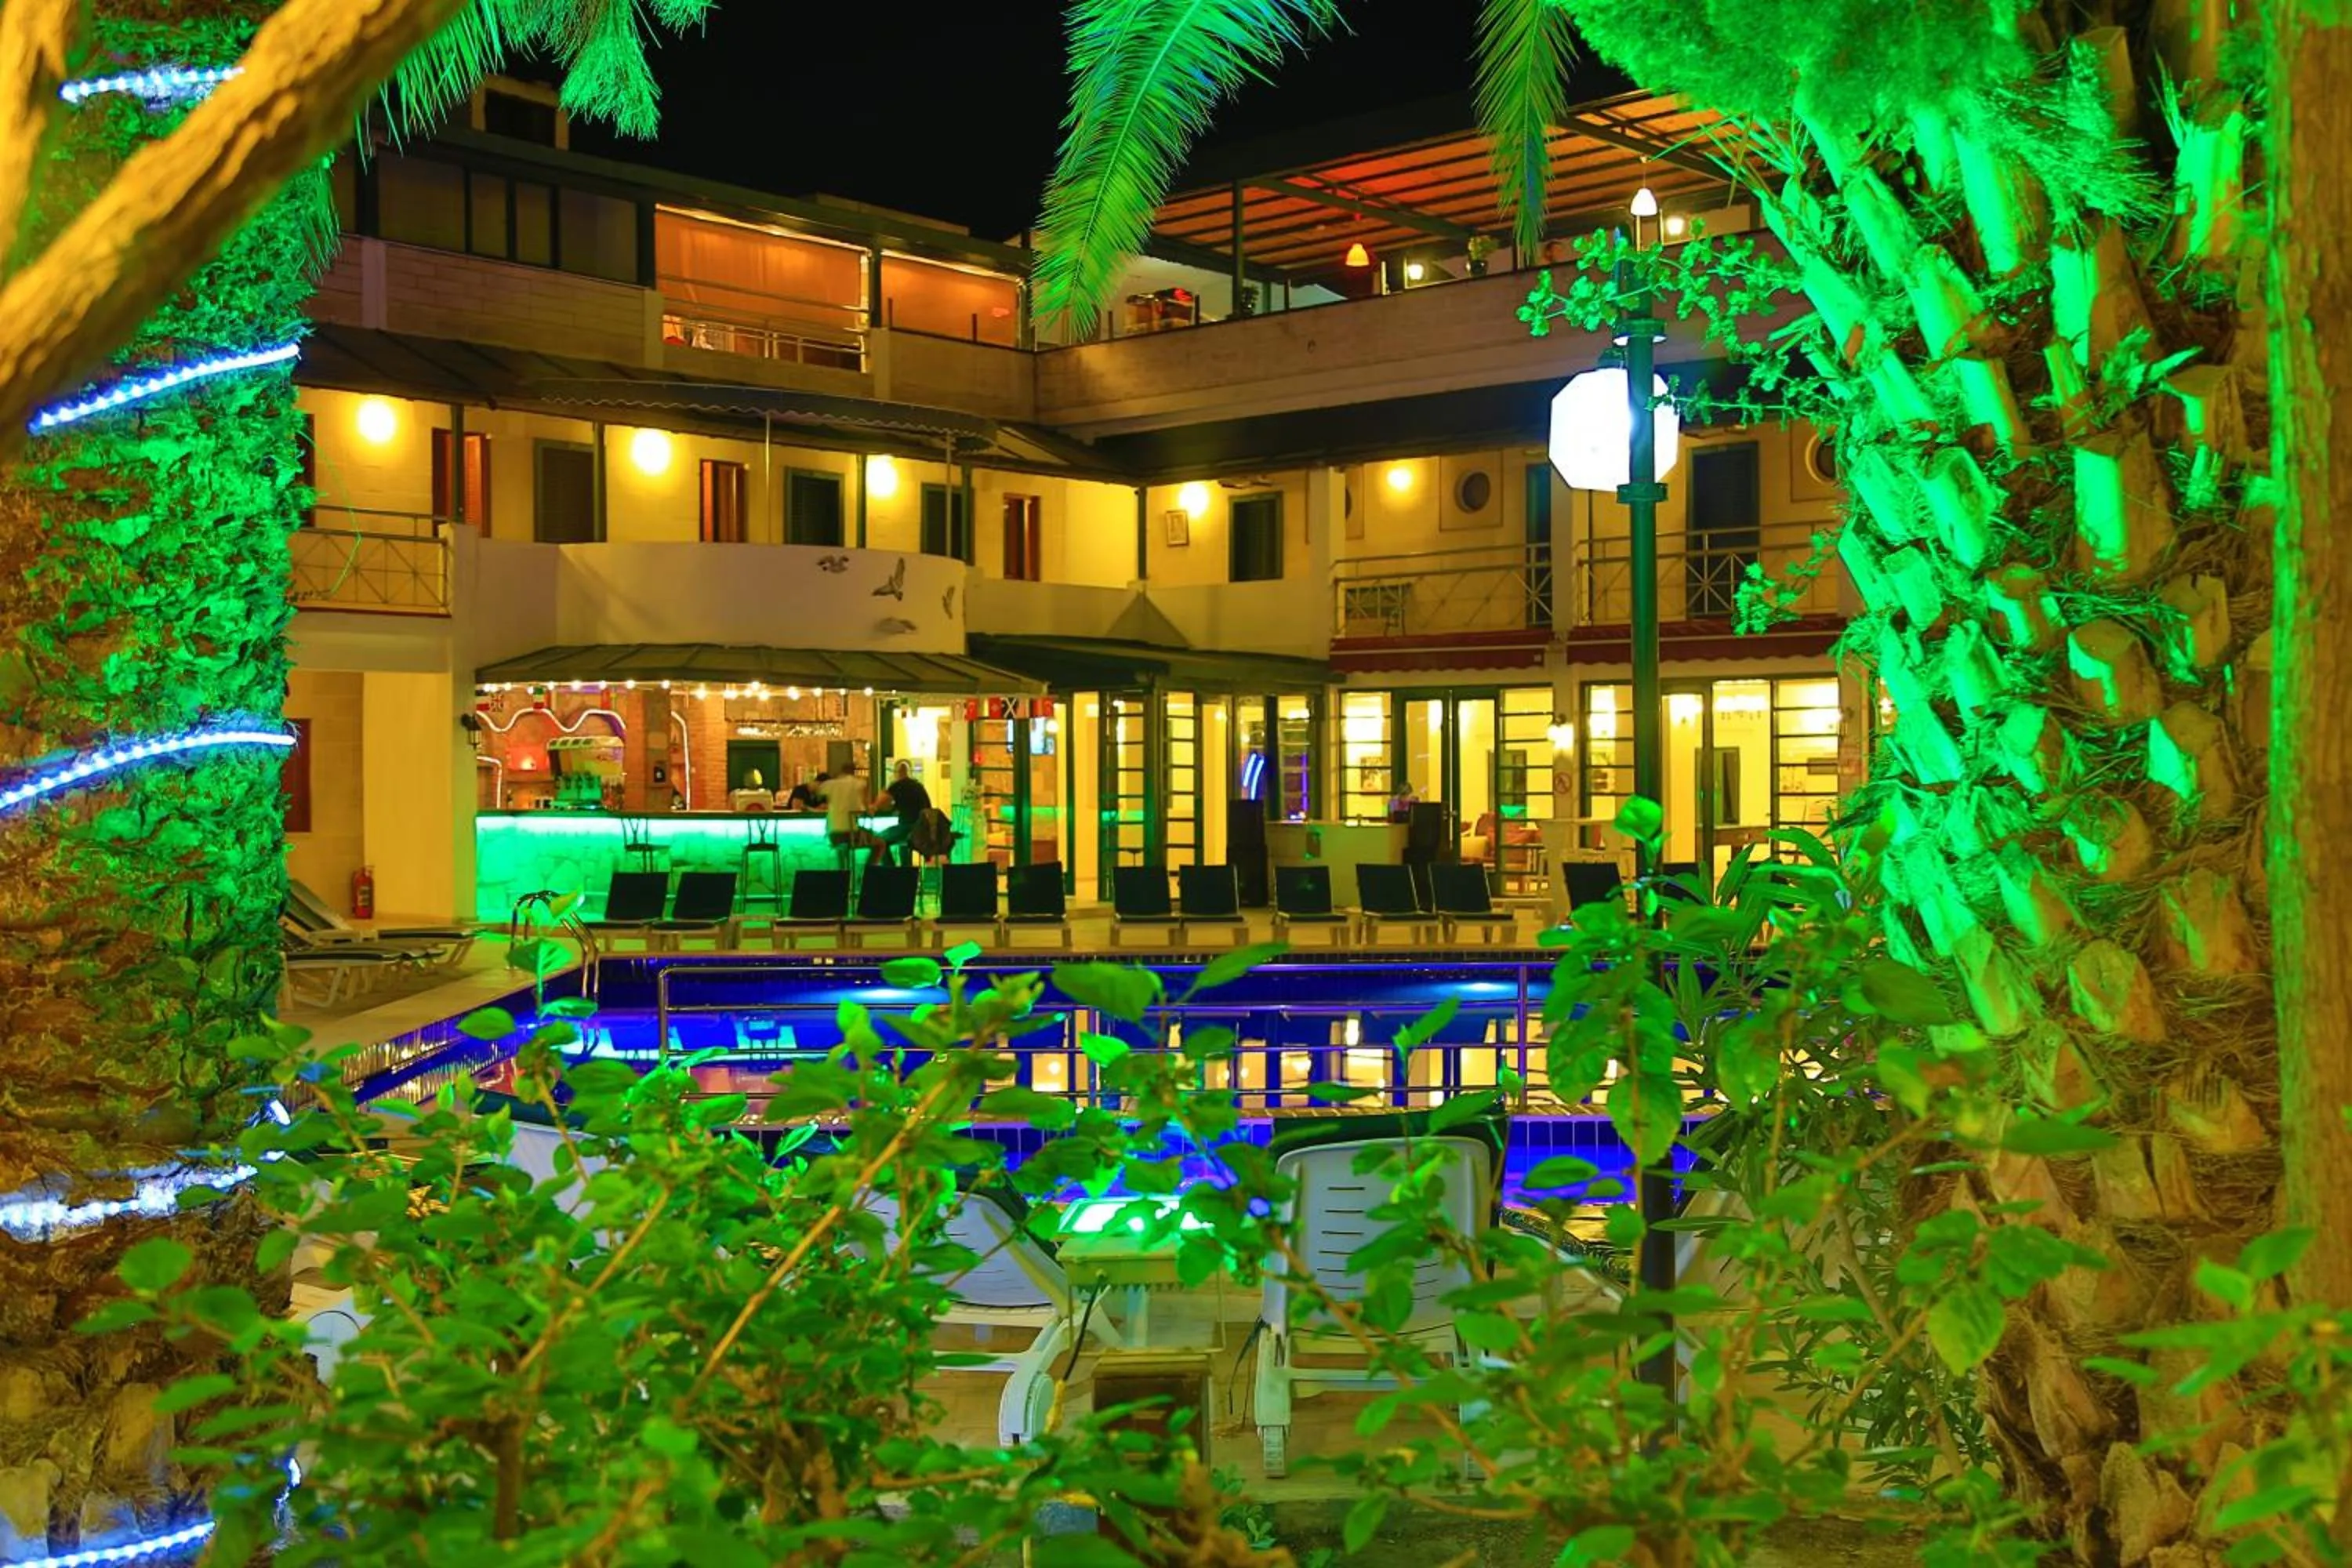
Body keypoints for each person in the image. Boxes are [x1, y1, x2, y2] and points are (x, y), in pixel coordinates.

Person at [872, 760, 934, 866]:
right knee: (905, 844)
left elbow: (880, 804)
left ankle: (891, 871)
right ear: (908, 772)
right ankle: (907, 871)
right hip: (922, 830)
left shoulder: (897, 786)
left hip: (907, 828)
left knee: (879, 839)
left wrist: (881, 795)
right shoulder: (919, 786)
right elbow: (928, 807)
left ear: (897, 773)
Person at [817, 762, 868, 873]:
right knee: (880, 843)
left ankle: (843, 879)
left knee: (841, 848)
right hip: (853, 836)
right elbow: (863, 809)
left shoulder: (830, 784)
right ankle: (868, 874)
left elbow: (816, 789)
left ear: (841, 772)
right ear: (853, 772)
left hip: (834, 835)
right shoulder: (860, 783)